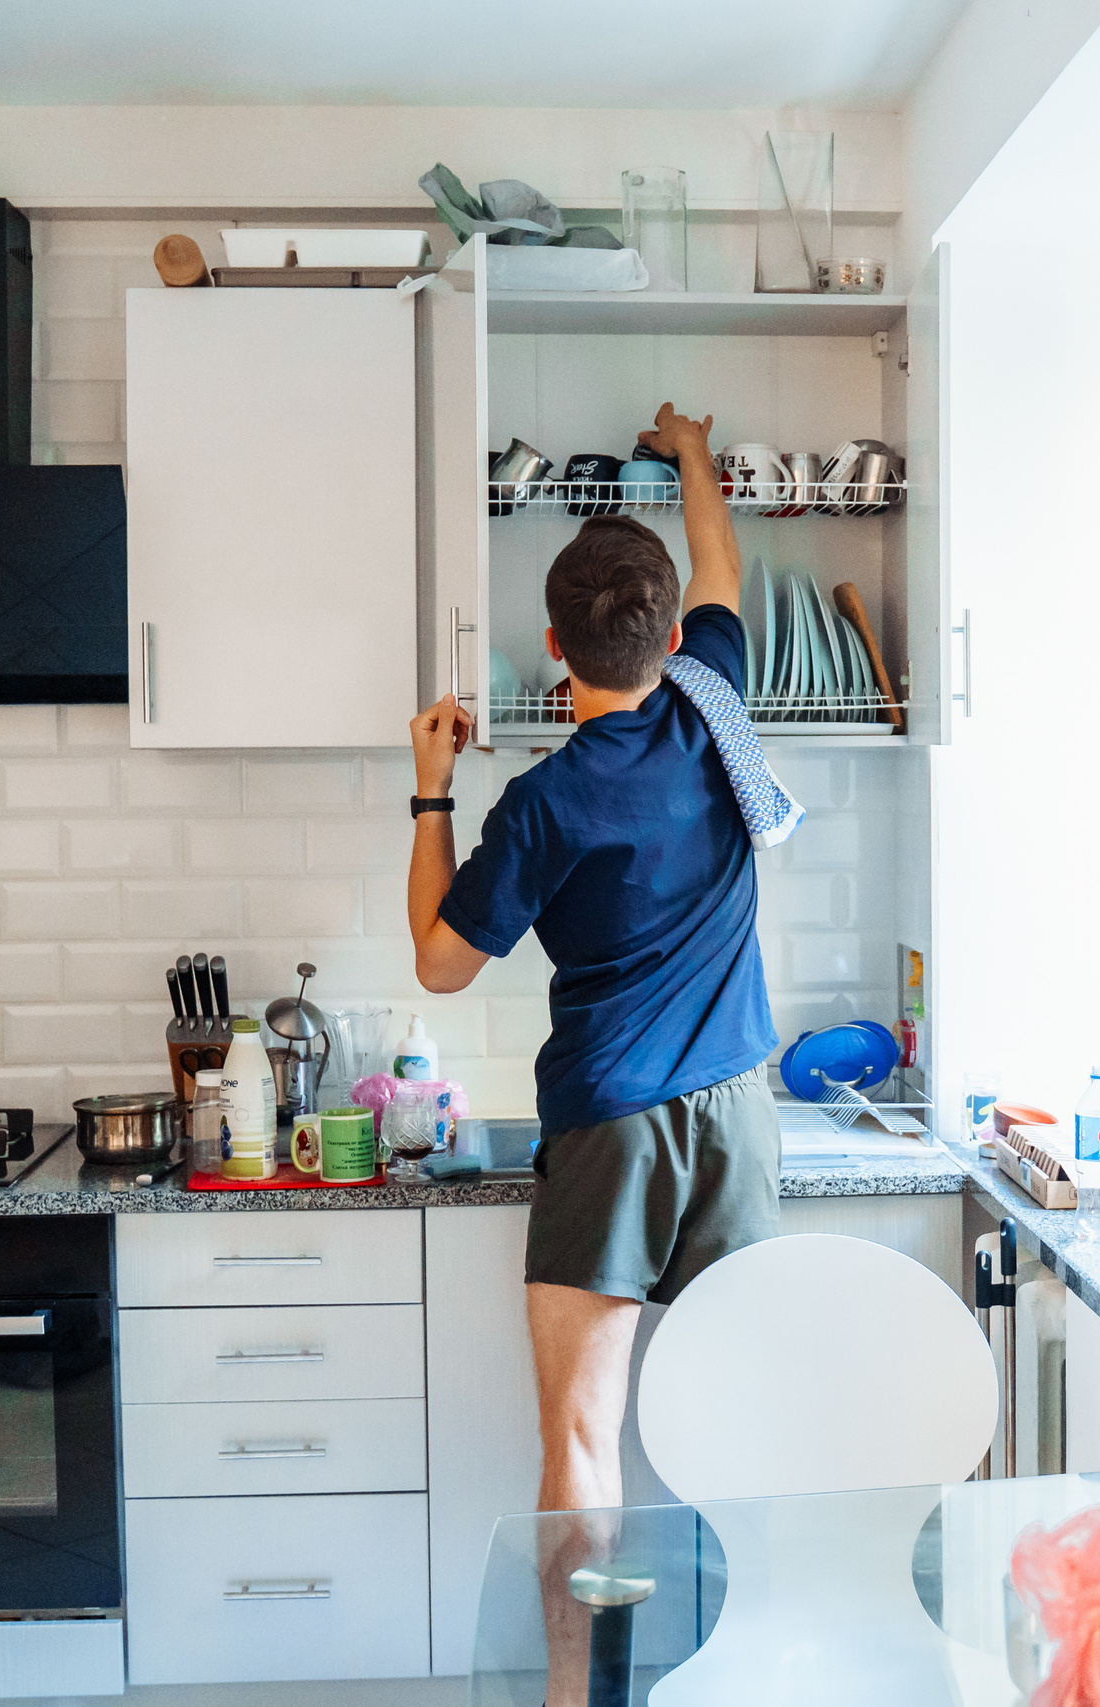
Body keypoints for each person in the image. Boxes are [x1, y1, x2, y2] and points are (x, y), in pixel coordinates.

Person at [404, 402, 780, 1521]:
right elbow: (721, 557)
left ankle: (577, 1699)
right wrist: (693, 447)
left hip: (612, 1125)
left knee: (581, 1443)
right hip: (737, 1116)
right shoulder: (715, 707)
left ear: (554, 645)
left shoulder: (541, 804)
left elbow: (437, 964)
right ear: (671, 639)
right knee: (750, 1422)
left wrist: (431, 790)